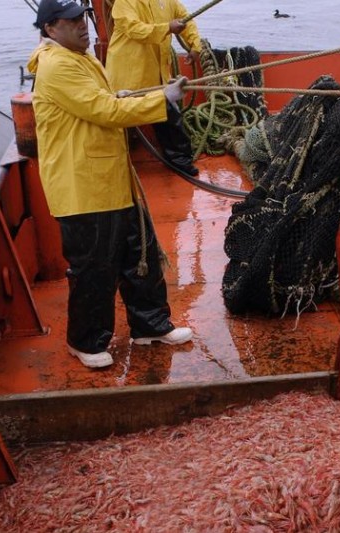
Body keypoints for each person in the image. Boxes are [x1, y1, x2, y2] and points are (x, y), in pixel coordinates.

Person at [28, 0, 193, 368]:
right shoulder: (57, 66)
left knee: (141, 253)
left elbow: (102, 100)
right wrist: (161, 98)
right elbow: (104, 112)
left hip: (111, 179)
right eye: (72, 22)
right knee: (94, 267)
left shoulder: (81, 57)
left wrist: (122, 95)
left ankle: (150, 324)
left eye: (82, 18)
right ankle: (85, 342)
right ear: (50, 29)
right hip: (83, 187)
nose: (83, 26)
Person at [105, 0, 202, 176]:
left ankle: (180, 162)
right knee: (117, 123)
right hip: (127, 80)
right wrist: (167, 28)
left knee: (171, 119)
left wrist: (195, 44)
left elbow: (185, 19)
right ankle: (113, 163)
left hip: (158, 77)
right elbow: (135, 29)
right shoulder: (124, 3)